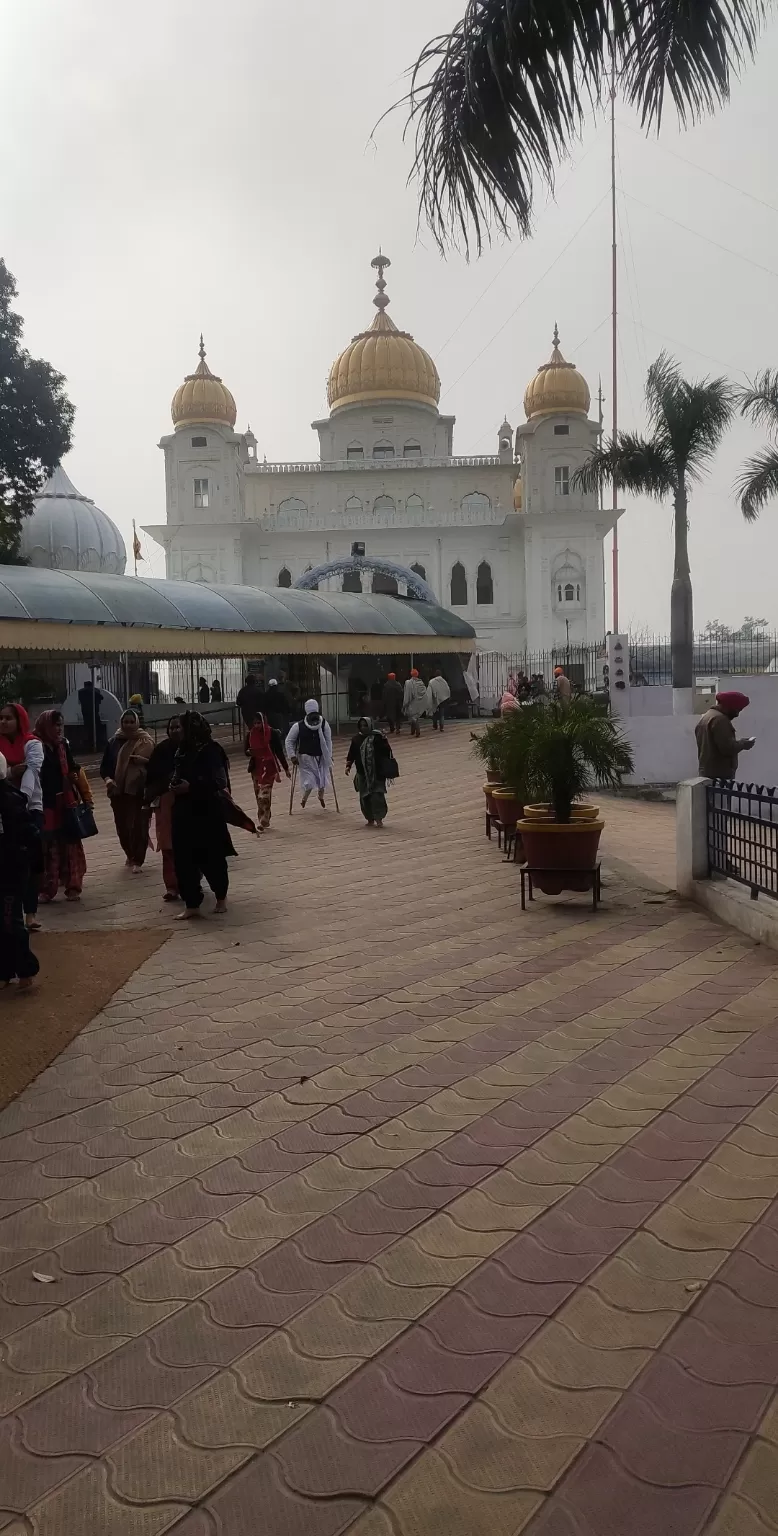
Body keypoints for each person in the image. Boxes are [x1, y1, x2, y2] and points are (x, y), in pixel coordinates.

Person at [171, 711, 251, 918]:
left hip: (207, 811)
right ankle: (192, 904)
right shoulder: (181, 750)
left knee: (212, 857)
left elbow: (220, 781)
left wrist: (192, 787)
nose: (177, 731)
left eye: (181, 726)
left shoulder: (212, 750)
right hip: (183, 811)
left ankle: (221, 898)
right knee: (183, 859)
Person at [35, 709, 87, 903]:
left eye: (60, 725)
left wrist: (73, 776)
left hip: (66, 801)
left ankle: (73, 885)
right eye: (55, 725)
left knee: (71, 843)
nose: (58, 729)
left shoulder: (63, 745)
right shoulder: (35, 746)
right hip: (46, 803)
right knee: (49, 845)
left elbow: (74, 767)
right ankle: (47, 887)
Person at [0, 703, 44, 931]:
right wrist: (9, 773)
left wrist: (21, 801)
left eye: (8, 718)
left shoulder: (32, 744)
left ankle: (31, 913)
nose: (3, 722)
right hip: (4, 811)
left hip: (29, 808)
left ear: (20, 720)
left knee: (29, 863)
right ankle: (11, 912)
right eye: (1, 718)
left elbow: (32, 771)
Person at [0, 753, 40, 990]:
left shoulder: (10, 800)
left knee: (9, 920)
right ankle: (4, 971)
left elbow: (29, 835)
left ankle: (24, 970)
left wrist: (35, 865)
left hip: (9, 870)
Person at [100, 710, 154, 872]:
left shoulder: (145, 741)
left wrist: (143, 761)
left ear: (137, 723)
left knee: (139, 825)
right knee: (122, 826)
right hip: (118, 792)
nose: (129, 725)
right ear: (121, 723)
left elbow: (155, 765)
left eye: (132, 722)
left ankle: (138, 859)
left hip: (138, 791)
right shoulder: (113, 742)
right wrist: (109, 781)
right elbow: (105, 768)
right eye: (126, 722)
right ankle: (130, 855)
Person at [145, 716, 184, 899]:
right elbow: (151, 778)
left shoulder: (194, 748)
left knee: (188, 846)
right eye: (172, 727)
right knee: (168, 846)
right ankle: (171, 886)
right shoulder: (161, 750)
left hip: (188, 803)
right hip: (166, 804)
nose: (175, 730)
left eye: (178, 727)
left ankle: (189, 883)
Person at [346, 717, 394, 827]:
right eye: (361, 725)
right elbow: (351, 754)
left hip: (376, 773)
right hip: (362, 773)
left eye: (365, 725)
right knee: (364, 797)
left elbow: (387, 752)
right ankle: (369, 818)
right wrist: (348, 766)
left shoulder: (377, 737)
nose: (363, 727)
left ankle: (379, 818)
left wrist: (384, 739)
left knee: (377, 796)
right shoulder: (356, 739)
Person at [696, 691, 755, 780]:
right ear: (729, 706)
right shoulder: (720, 720)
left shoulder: (707, 716)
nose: (737, 714)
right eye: (737, 709)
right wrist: (743, 744)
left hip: (708, 772)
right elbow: (727, 748)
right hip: (719, 774)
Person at [285, 699, 333, 808]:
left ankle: (321, 797)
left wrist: (329, 755)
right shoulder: (298, 725)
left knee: (322, 780)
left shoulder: (324, 724)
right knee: (309, 781)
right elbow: (289, 741)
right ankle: (304, 799)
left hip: (321, 756)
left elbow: (328, 740)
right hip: (305, 758)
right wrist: (292, 756)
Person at [247, 711, 290, 830]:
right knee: (258, 795)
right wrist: (249, 752)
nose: (257, 725)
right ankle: (263, 815)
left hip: (269, 767)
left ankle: (264, 819)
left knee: (264, 795)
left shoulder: (272, 733)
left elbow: (279, 752)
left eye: (259, 723)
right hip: (256, 768)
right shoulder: (251, 734)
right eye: (255, 723)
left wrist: (285, 768)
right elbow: (246, 750)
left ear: (263, 721)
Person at [403, 669, 427, 738]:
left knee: (413, 717)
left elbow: (408, 694)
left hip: (412, 702)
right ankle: (413, 731)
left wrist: (405, 703)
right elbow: (425, 693)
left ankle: (417, 731)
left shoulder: (409, 683)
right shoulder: (421, 683)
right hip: (419, 702)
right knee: (415, 717)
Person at [428, 668, 452, 732]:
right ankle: (442, 727)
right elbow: (447, 689)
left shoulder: (431, 682)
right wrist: (448, 697)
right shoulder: (444, 681)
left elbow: (430, 691)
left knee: (434, 712)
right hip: (443, 700)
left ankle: (435, 726)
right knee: (442, 714)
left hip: (435, 699)